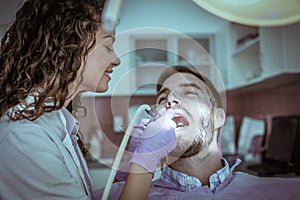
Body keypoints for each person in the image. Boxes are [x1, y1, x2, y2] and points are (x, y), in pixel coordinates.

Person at [0, 0, 176, 199]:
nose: (117, 59)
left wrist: (126, 174)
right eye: (108, 45)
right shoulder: (24, 138)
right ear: (69, 44)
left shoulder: (60, 123)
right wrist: (144, 162)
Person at [98, 65, 300, 199]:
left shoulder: (281, 192)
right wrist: (133, 167)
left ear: (218, 117)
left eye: (190, 92)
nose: (171, 101)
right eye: (163, 99)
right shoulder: (120, 194)